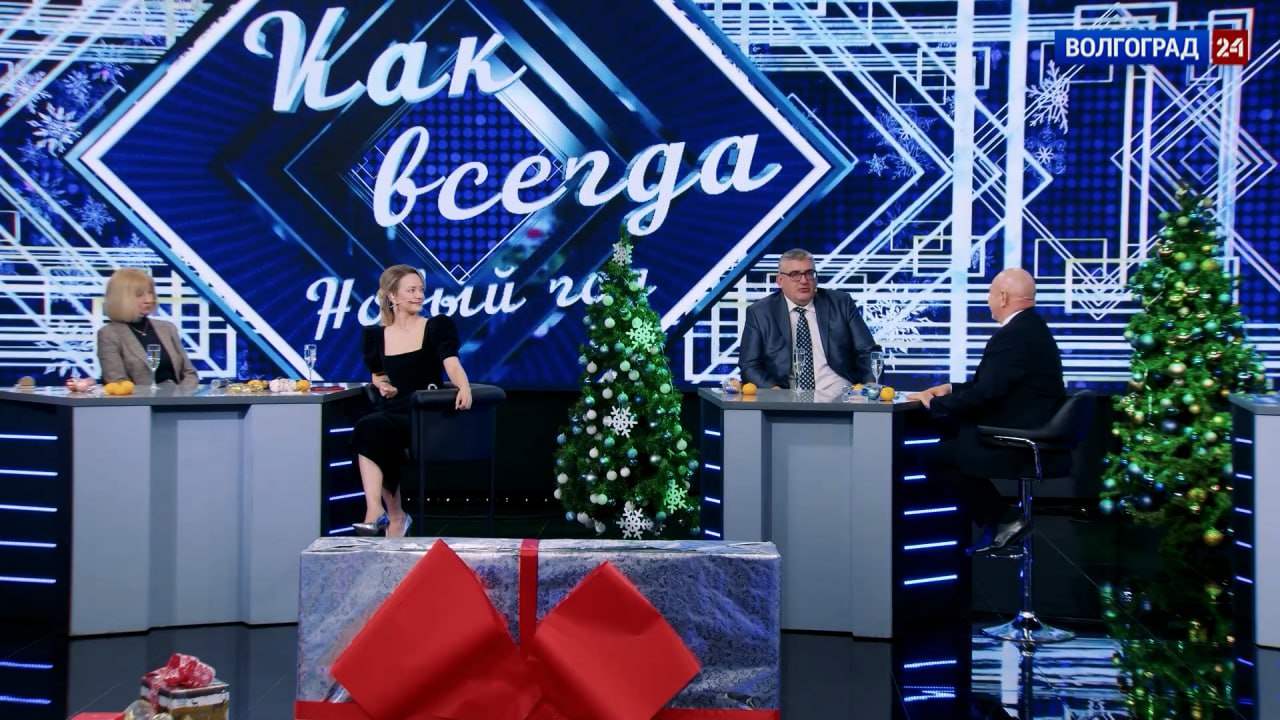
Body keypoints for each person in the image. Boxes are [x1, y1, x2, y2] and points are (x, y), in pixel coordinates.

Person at [908, 268, 1066, 555]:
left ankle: (1005, 520)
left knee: (936, 459)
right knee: (951, 444)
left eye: (990, 293)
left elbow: (986, 394)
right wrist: (951, 389)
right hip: (1032, 431)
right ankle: (1000, 522)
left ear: (1003, 297)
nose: (987, 300)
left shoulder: (1013, 336)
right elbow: (995, 384)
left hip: (1019, 440)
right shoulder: (1032, 328)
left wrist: (935, 404)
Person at [352, 264, 474, 537]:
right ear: (392, 296)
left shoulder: (435, 326)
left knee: (374, 428)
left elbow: (452, 364)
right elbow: (378, 375)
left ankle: (391, 515)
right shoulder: (376, 336)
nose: (419, 295)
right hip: (394, 410)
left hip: (426, 412)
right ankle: (379, 511)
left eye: (420, 290)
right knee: (369, 428)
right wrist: (382, 385)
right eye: (411, 290)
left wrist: (464, 386)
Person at [739, 248, 878, 392]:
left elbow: (868, 351)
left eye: (809, 273)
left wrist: (870, 385)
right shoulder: (760, 312)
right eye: (795, 275)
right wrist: (775, 392)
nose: (804, 281)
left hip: (841, 393)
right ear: (780, 281)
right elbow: (749, 365)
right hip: (786, 396)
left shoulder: (841, 303)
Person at [97, 268, 198, 388]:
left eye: (150, 293)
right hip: (139, 399)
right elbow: (117, 382)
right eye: (140, 295)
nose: (149, 300)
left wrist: (182, 394)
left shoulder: (167, 328)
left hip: (178, 398)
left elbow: (189, 373)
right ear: (121, 298)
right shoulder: (109, 334)